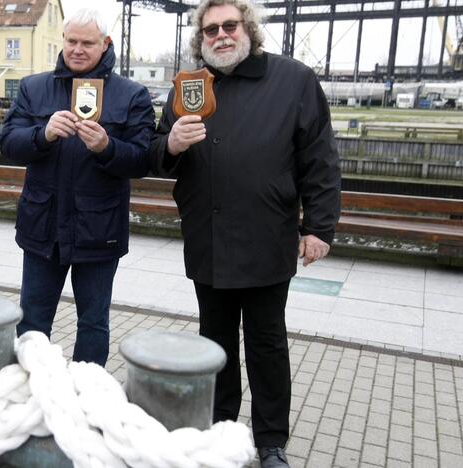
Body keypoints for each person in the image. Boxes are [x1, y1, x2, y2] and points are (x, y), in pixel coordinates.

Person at [149, 0, 340, 466]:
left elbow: (320, 158)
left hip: (266, 236)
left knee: (266, 343)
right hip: (207, 235)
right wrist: (171, 144)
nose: (220, 35)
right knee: (214, 340)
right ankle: (219, 427)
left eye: (229, 25)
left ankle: (270, 439)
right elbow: (159, 153)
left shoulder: (293, 80)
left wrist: (318, 227)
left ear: (248, 29)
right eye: (210, 29)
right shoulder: (190, 85)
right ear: (200, 39)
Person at [0, 8, 155, 366]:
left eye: (88, 43)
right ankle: (33, 394)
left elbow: (144, 160)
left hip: (99, 230)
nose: (78, 49)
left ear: (105, 44)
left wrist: (107, 147)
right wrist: (43, 134)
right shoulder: (33, 87)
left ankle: (87, 401)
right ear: (63, 40)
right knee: (33, 322)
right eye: (72, 41)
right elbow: (8, 142)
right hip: (43, 226)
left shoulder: (132, 95)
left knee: (93, 324)